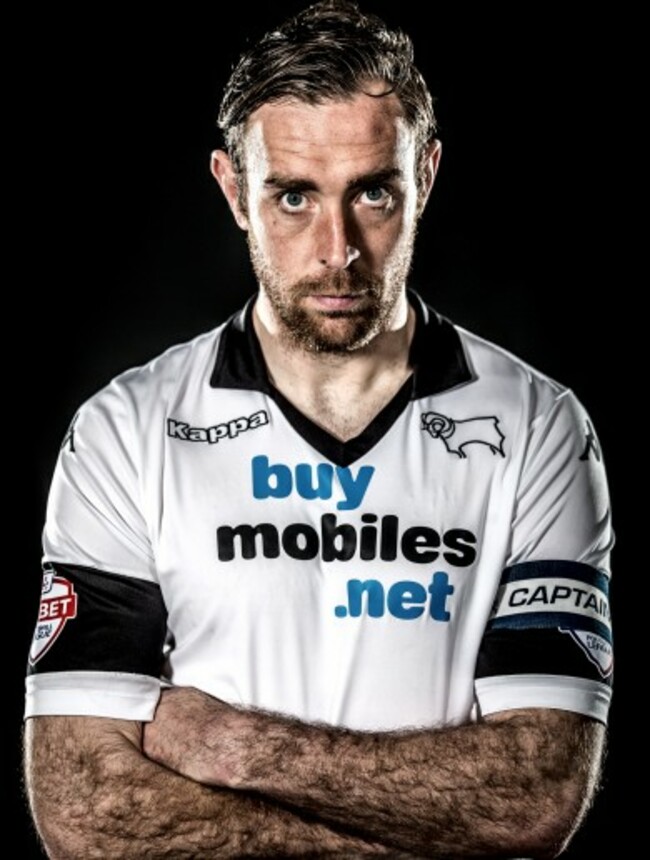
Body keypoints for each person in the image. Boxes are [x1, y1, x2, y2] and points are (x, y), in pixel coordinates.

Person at [23, 1, 614, 857]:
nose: (338, 250)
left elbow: (534, 793)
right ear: (234, 191)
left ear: (426, 177)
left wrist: (234, 744)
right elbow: (82, 807)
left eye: (373, 192)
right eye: (294, 196)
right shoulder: (124, 433)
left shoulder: (537, 428)